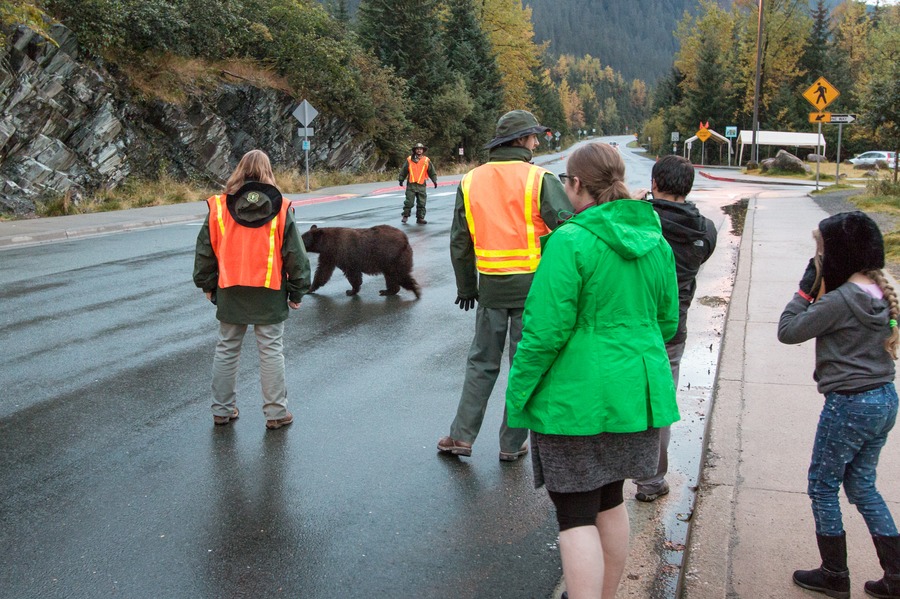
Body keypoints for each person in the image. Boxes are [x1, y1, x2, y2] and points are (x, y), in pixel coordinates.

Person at [506, 142, 680, 599]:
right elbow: (667, 321)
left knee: (574, 516)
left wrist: (518, 395)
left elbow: (543, 333)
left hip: (575, 400)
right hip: (635, 397)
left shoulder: (571, 240)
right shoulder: (654, 240)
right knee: (609, 498)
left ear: (577, 184)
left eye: (565, 180)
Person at [437, 110, 572, 462]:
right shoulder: (539, 179)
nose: (537, 142)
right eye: (533, 137)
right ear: (522, 140)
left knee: (481, 363)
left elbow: (460, 241)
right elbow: (569, 234)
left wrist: (467, 287)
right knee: (524, 365)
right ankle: (511, 444)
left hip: (491, 291)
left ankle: (461, 436)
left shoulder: (470, 181)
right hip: (534, 292)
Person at [778, 211, 900, 599]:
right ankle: (896, 576)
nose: (816, 260)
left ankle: (834, 574)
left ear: (839, 257)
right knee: (863, 484)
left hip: (849, 405)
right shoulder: (880, 289)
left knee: (822, 486)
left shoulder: (842, 300)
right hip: (883, 399)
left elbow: (788, 331)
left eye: (820, 253)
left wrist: (804, 291)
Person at [193, 149, 311, 430]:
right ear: (268, 172)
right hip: (269, 290)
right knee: (270, 351)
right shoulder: (281, 208)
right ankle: (275, 414)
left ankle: (221, 410)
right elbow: (295, 253)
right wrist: (297, 291)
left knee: (226, 349)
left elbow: (205, 251)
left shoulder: (219, 207)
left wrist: (207, 285)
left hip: (230, 288)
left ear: (239, 170)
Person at [631, 155, 717, 502]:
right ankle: (651, 481)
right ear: (689, 188)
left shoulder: (638, 221)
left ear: (653, 184)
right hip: (672, 329)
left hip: (630, 323)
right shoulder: (705, 229)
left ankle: (609, 474)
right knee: (660, 404)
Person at [398, 142, 438, 225]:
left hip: (421, 185)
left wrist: (434, 180)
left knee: (422, 203)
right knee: (409, 202)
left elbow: (431, 171)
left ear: (423, 150)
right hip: (411, 185)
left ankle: (420, 218)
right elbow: (404, 170)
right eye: (417, 149)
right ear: (415, 150)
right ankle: (405, 216)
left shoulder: (426, 160)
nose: (419, 150)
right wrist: (401, 179)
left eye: (421, 149)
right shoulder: (409, 159)